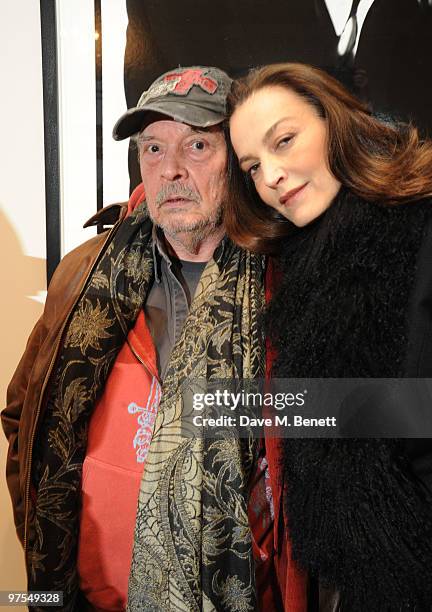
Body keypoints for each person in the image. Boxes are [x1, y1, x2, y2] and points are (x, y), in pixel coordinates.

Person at [2, 66, 266, 612]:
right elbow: (25, 416)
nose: (170, 170)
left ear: (239, 161)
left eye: (197, 145)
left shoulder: (282, 284)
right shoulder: (86, 270)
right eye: (152, 148)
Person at [226, 62, 432, 610]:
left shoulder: (418, 229)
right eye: (251, 167)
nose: (269, 176)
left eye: (285, 141)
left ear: (334, 121)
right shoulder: (300, 266)